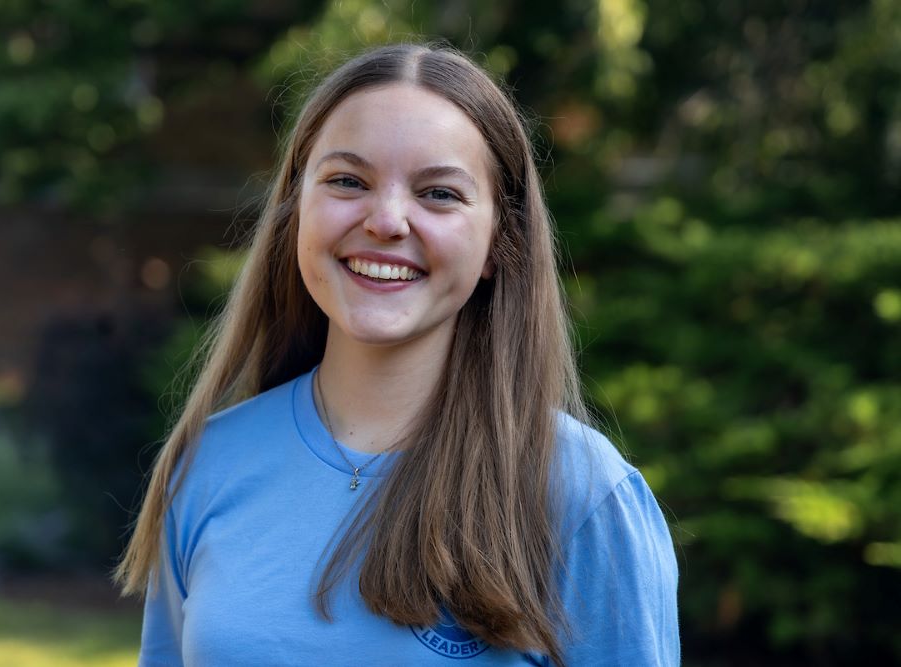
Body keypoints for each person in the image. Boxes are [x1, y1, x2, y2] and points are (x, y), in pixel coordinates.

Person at [115, 43, 680, 666]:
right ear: (296, 210)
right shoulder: (208, 462)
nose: (386, 221)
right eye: (347, 181)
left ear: (501, 242)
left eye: (439, 193)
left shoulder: (583, 496)